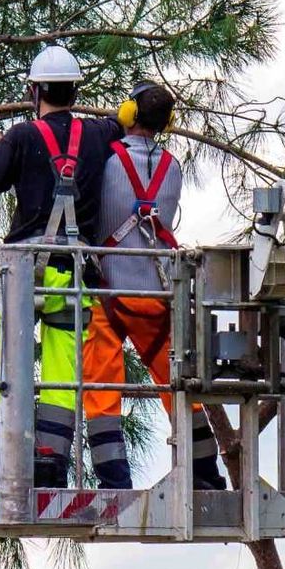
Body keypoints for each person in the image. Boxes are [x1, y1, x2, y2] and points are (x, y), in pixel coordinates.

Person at [0, 45, 123, 488]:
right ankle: (50, 468)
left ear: (35, 90)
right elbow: (129, 117)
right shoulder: (100, 135)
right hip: (72, 273)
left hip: (23, 274)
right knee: (63, 372)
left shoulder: (22, 137)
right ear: (75, 89)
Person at [82, 81, 227, 490]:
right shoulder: (174, 168)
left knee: (101, 386)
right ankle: (205, 474)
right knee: (180, 389)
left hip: (109, 292)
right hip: (159, 293)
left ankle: (113, 480)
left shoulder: (106, 161)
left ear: (128, 112)